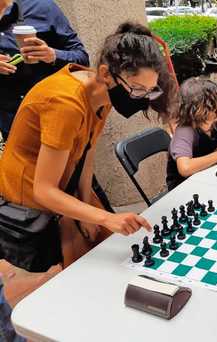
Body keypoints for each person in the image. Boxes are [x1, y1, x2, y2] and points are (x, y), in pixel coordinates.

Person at [0, 22, 181, 302]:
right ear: (107, 73)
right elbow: (44, 191)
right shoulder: (65, 103)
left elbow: (87, 154)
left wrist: (88, 205)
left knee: (104, 245)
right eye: (136, 89)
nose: (141, 98)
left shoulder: (102, 91)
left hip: (63, 183)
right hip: (29, 195)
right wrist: (103, 216)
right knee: (80, 276)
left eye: (149, 91)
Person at [0, 0, 90, 140]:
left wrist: (53, 55)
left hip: (53, 117)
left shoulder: (42, 6)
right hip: (10, 126)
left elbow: (82, 58)